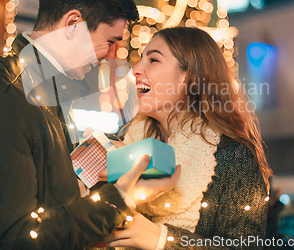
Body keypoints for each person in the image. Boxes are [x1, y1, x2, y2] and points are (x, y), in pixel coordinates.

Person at [0, 0, 181, 250]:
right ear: (72, 24)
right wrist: (119, 198)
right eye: (109, 41)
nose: (108, 55)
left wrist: (83, 179)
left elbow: (47, 206)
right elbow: (14, 240)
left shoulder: (42, 93)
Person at [101, 27, 273, 249]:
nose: (135, 69)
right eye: (140, 59)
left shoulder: (232, 157)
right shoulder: (119, 144)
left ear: (189, 76)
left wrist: (162, 240)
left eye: (153, 60)